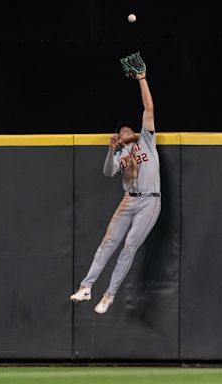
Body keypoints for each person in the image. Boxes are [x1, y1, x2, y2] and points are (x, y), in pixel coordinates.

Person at [69, 53, 161, 314]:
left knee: (130, 245)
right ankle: (87, 287)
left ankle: (109, 294)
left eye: (128, 130)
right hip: (129, 199)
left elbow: (149, 109)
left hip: (150, 201)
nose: (126, 132)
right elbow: (109, 172)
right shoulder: (121, 154)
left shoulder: (145, 140)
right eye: (122, 132)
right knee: (108, 242)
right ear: (118, 138)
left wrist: (142, 79)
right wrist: (111, 150)